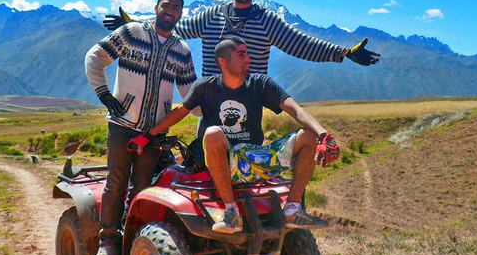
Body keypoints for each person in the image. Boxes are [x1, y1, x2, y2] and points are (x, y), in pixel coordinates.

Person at [128, 36, 335, 234]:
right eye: (241, 54)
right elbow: (180, 112)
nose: (248, 59)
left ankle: (292, 209)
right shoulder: (205, 87)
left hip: (256, 157)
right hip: (223, 161)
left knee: (310, 136)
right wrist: (149, 135)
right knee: (213, 133)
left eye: (248, 54)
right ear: (223, 61)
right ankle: (231, 212)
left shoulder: (260, 84)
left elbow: (296, 110)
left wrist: (324, 135)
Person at [105, 0, 380, 77]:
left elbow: (301, 44)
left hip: (250, 98)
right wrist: (133, 25)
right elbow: (174, 27)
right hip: (211, 98)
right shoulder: (212, 15)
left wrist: (343, 53)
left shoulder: (267, 20)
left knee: (245, 169)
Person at [85, 0, 196, 255]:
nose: (171, 10)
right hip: (122, 127)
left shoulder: (181, 50)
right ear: (156, 7)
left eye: (176, 8)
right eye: (166, 5)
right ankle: (107, 244)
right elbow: (94, 57)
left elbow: (191, 94)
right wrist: (104, 95)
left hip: (154, 133)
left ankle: (136, 243)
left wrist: (215, 104)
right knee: (116, 183)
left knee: (144, 188)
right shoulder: (132, 32)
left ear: (181, 14)